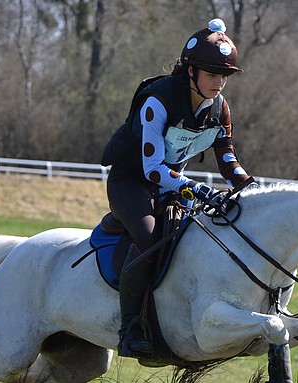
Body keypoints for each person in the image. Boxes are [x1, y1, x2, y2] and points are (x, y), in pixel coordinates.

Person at [100, 18, 255, 358]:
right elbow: (152, 169)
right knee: (150, 238)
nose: (219, 83)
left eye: (224, 76)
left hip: (171, 185)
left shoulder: (220, 108)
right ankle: (129, 328)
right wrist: (197, 190)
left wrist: (250, 187)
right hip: (132, 181)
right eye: (212, 74)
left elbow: (227, 157)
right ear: (190, 72)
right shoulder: (158, 100)